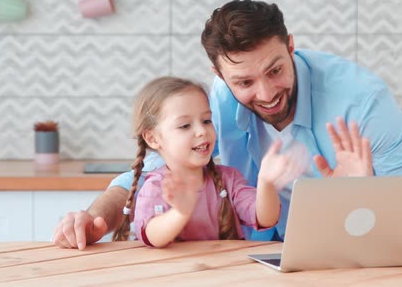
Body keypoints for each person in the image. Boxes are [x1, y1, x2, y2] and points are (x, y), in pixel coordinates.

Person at [53, 0, 402, 250]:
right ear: (219, 74)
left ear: (291, 46)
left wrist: (366, 197)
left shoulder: (362, 102)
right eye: (244, 82)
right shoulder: (214, 101)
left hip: (343, 265)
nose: (266, 93)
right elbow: (151, 173)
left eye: (276, 69)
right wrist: (94, 219)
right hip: (245, 266)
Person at [113, 76, 305, 247]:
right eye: (185, 125)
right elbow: (153, 236)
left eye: (206, 121)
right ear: (153, 138)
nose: (202, 131)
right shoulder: (155, 186)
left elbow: (266, 218)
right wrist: (181, 212)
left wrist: (266, 182)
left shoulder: (228, 180)